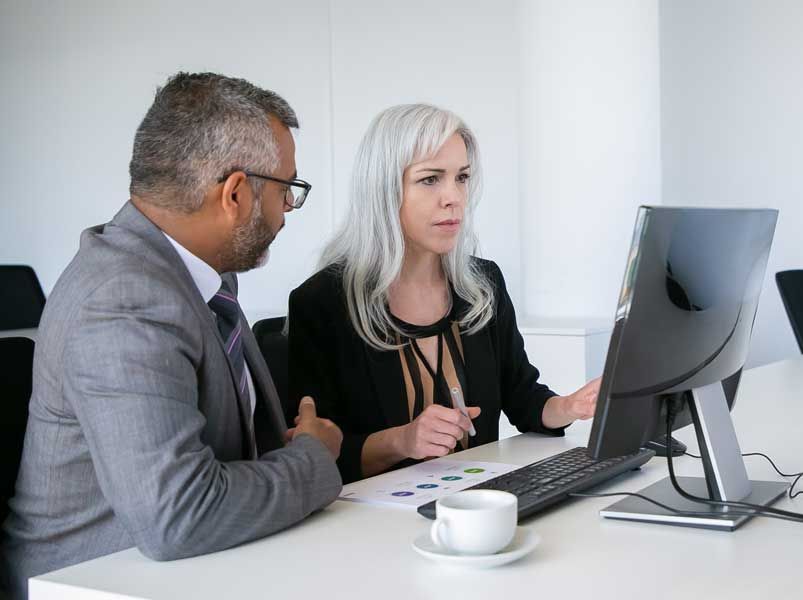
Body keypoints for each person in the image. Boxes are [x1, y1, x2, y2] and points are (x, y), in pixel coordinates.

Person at [0, 73, 343, 599]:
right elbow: (180, 515)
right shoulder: (121, 299)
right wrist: (313, 458)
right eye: (286, 190)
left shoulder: (198, 273)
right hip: (98, 581)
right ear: (234, 194)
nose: (287, 212)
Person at [287, 104, 598, 484]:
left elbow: (523, 398)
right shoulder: (322, 303)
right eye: (431, 179)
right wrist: (402, 440)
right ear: (384, 189)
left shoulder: (484, 284)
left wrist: (569, 406)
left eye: (462, 177)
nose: (454, 197)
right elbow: (317, 457)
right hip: (372, 526)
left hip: (476, 506)